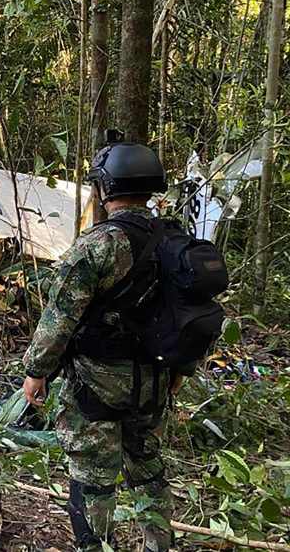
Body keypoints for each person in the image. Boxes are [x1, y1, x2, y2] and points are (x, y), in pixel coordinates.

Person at [21, 141, 190, 552]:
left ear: (105, 188)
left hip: (96, 384)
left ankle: (95, 546)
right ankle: (158, 545)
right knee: (148, 469)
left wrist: (36, 372)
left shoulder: (98, 246)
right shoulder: (175, 240)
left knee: (93, 478)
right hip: (155, 379)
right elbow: (192, 313)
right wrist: (181, 372)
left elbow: (59, 318)